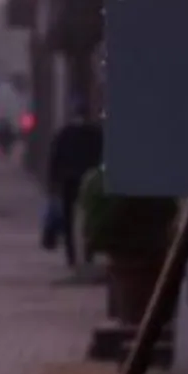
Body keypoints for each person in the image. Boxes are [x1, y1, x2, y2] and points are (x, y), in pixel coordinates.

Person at [47, 114, 105, 267]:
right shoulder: (95, 133)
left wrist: (53, 181)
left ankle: (71, 255)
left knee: (68, 219)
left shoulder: (65, 133)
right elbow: (101, 156)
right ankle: (88, 252)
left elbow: (55, 157)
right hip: (89, 179)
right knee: (90, 217)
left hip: (69, 180)